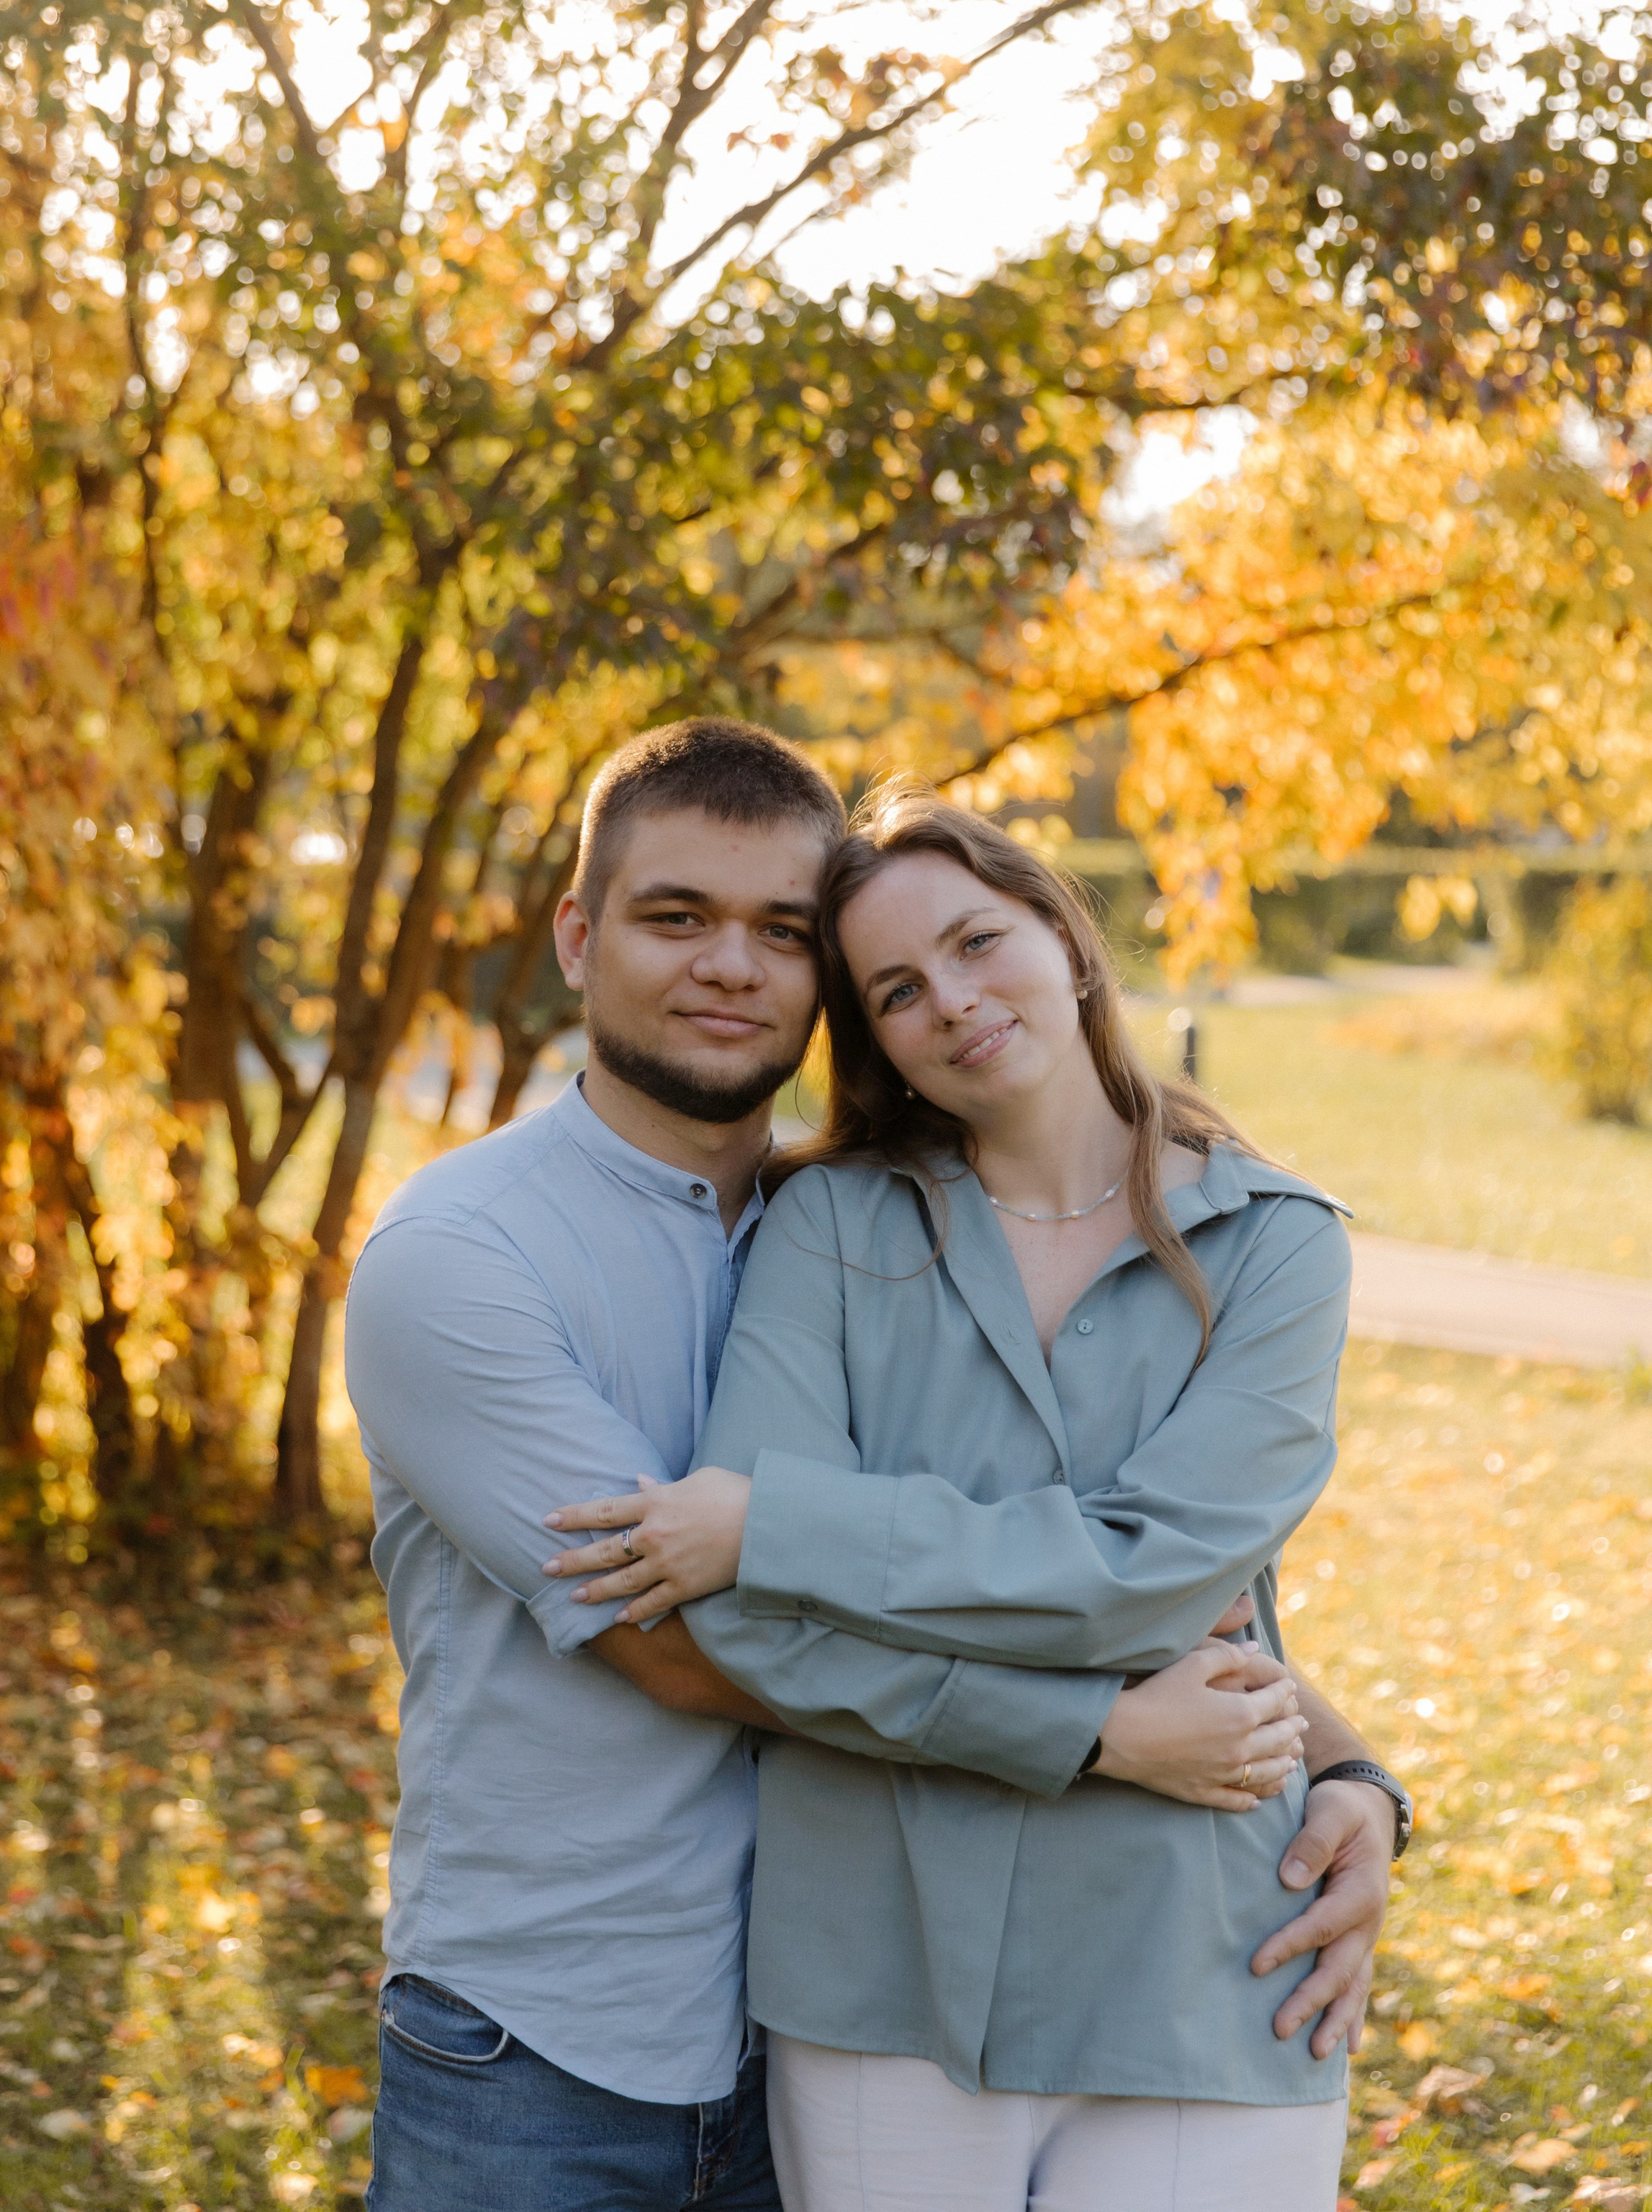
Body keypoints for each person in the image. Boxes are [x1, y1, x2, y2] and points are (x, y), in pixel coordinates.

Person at [346, 724, 1405, 2212]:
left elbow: (1134, 1572)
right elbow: (682, 1646)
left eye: (779, 933)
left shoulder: (805, 1214)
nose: (730, 965)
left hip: (798, 2003)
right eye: (675, 917)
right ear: (578, 938)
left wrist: (1341, 1760)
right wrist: (1102, 1732)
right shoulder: (464, 1263)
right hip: (558, 2037)